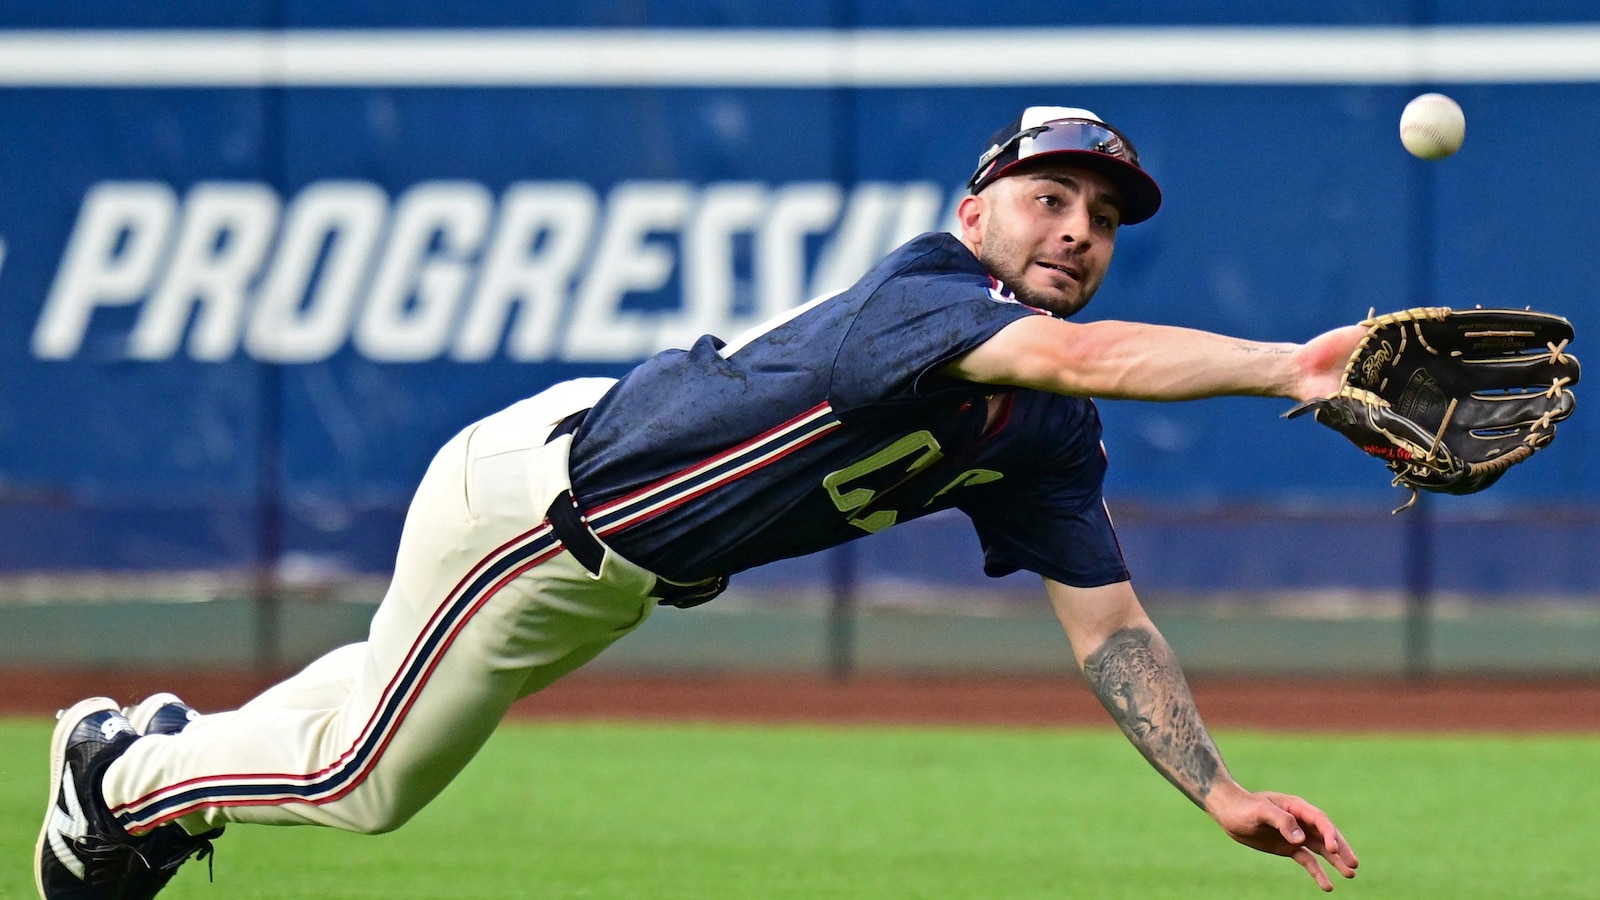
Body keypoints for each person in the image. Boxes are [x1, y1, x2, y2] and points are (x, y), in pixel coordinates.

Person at [36, 105, 1364, 898]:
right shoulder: (923, 300)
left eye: (1102, 215)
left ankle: (169, 741)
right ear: (975, 218)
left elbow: (1110, 626)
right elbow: (1071, 352)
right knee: (366, 779)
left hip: (614, 570)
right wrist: (1292, 368)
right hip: (537, 519)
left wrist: (1217, 792)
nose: (1077, 228)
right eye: (1048, 197)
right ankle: (122, 777)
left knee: (378, 693)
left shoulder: (1046, 435)